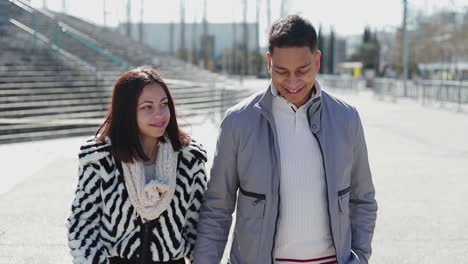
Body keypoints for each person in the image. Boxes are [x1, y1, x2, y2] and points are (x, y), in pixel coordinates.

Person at [194, 15, 377, 264]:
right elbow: (217, 209)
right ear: (269, 62)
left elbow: (362, 199)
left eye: (302, 70)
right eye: (281, 71)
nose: (292, 82)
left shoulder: (346, 118)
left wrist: (360, 258)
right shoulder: (238, 122)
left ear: (317, 60)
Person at [66, 65, 208, 264]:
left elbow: (199, 226)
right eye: (147, 107)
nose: (159, 114)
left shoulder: (190, 158)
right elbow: (82, 224)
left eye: (164, 104)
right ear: (127, 111)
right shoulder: (100, 158)